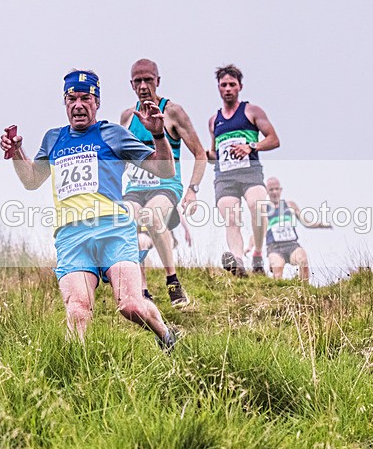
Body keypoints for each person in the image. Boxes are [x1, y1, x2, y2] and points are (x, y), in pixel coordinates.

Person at [0, 69, 178, 350]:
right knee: (78, 311)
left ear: (97, 102)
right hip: (72, 236)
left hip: (113, 230)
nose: (78, 105)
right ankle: (76, 374)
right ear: (65, 102)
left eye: (86, 98)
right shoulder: (53, 139)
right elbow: (32, 180)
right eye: (72, 98)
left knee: (131, 306)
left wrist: (158, 134)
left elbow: (165, 170)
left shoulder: (113, 134)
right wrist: (17, 153)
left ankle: (167, 337)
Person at [121, 59, 206, 308]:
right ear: (131, 84)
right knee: (126, 223)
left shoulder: (173, 112)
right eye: (138, 81)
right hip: (135, 188)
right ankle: (143, 290)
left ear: (158, 80)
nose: (144, 86)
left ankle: (173, 281)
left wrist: (193, 189)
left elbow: (199, 153)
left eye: (148, 79)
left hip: (166, 185)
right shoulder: (127, 117)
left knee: (151, 217)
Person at [206, 64, 280, 276]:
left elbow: (274, 140)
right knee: (231, 216)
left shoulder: (251, 111)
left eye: (232, 84)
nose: (227, 88)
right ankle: (238, 261)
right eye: (223, 85)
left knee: (257, 207)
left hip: (250, 172)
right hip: (225, 176)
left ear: (240, 86)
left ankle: (257, 253)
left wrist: (251, 146)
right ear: (218, 88)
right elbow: (214, 154)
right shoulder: (214, 121)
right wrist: (205, 155)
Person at [244, 177, 331, 281]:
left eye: (276, 189)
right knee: (278, 267)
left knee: (302, 259)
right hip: (274, 248)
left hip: (292, 245)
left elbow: (306, 222)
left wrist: (321, 225)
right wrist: (250, 246)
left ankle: (304, 289)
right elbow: (258, 232)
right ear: (266, 191)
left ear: (281, 190)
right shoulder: (264, 209)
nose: (274, 192)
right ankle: (278, 292)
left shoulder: (290, 205)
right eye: (271, 190)